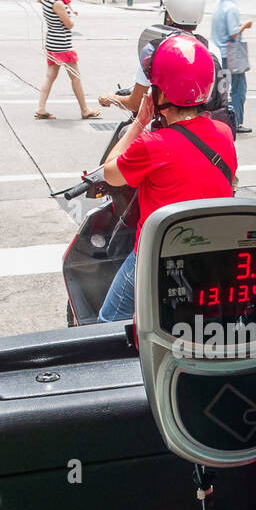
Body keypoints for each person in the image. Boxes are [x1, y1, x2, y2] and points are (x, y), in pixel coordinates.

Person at [96, 34, 238, 322]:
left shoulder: (152, 145)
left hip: (157, 258)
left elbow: (109, 172)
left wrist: (139, 120)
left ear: (159, 93)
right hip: (210, 259)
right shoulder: (224, 134)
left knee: (107, 323)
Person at [35, 0, 101, 121]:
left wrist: (69, 6)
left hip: (51, 42)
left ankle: (41, 107)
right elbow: (69, 24)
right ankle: (85, 109)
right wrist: (71, 16)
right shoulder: (57, 4)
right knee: (75, 77)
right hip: (62, 44)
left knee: (50, 76)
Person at [212, 0, 252, 134]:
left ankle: (223, 120)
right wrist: (246, 25)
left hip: (219, 52)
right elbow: (233, 32)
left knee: (223, 89)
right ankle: (236, 121)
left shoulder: (219, 4)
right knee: (239, 88)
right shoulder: (231, 8)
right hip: (231, 52)